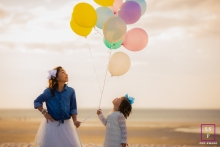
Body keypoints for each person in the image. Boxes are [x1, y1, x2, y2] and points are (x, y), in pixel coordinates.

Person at [33, 66, 81, 147]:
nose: (66, 74)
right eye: (63, 72)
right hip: (52, 126)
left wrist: (75, 120)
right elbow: (37, 102)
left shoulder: (71, 91)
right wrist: (45, 113)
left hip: (67, 126)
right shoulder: (49, 91)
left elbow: (73, 108)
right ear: (56, 78)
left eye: (66, 72)